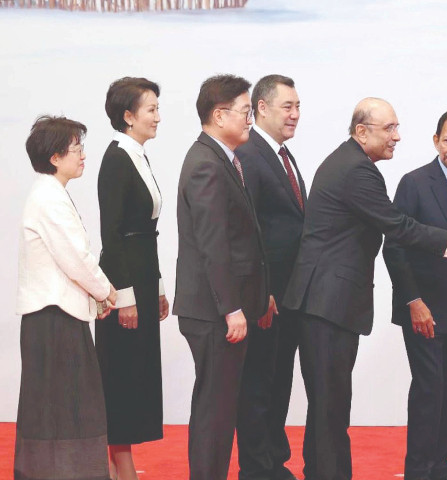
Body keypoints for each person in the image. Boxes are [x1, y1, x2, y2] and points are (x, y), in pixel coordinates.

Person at [281, 98, 447, 480]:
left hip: (327, 303)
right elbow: (398, 229)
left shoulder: (351, 164)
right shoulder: (357, 171)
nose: (397, 137)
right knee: (330, 409)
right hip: (327, 304)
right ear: (362, 132)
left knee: (328, 409)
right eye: (390, 129)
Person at [173, 74, 270, 480]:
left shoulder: (221, 158)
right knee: (215, 410)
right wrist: (232, 308)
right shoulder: (206, 165)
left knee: (219, 407)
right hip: (214, 311)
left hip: (222, 307)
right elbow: (214, 246)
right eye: (246, 112)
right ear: (218, 115)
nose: (250, 120)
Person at [383, 109, 447, 480]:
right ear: (434, 140)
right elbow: (392, 247)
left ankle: (441, 467)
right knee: (429, 390)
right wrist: (413, 301)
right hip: (424, 308)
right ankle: (419, 470)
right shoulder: (414, 183)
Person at [15, 115, 117, 480]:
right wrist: (107, 292)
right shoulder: (48, 198)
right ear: (55, 157)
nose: (83, 156)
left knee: (59, 407)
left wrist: (97, 295)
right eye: (77, 149)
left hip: (55, 317)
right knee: (64, 406)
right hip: (53, 319)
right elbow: (76, 259)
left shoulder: (51, 192)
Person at [96, 76, 169, 480]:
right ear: (128, 116)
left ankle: (117, 460)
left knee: (136, 370)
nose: (159, 116)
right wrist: (123, 295)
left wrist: (156, 287)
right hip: (122, 281)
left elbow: (146, 230)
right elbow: (111, 234)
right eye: (151, 109)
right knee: (120, 372)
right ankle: (119, 463)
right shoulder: (115, 158)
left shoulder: (138, 154)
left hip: (143, 276)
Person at [235, 74, 305, 480]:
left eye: (298, 107)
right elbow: (248, 232)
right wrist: (260, 294)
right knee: (259, 387)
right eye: (287, 107)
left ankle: (274, 463)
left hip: (288, 298)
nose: (295, 114)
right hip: (265, 299)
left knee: (279, 385)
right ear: (261, 108)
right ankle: (257, 469)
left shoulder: (282, 154)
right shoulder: (249, 154)